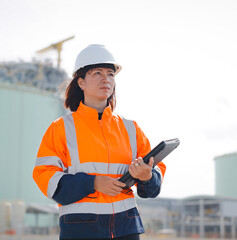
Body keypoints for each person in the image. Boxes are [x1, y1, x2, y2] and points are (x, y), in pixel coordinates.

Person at [33, 44, 166, 240]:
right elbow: (47, 178)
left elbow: (155, 180)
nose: (106, 79)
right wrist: (92, 182)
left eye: (111, 74)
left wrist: (147, 176)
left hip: (126, 229)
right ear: (81, 82)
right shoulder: (61, 128)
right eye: (97, 73)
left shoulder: (131, 129)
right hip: (81, 231)